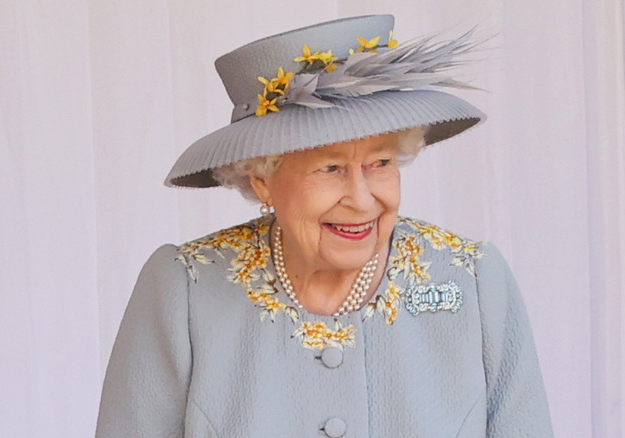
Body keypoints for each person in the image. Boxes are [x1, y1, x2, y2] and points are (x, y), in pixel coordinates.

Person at [96, 15, 553, 437]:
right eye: (330, 168)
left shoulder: (472, 280)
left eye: (380, 162)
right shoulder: (186, 289)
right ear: (263, 180)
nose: (361, 198)